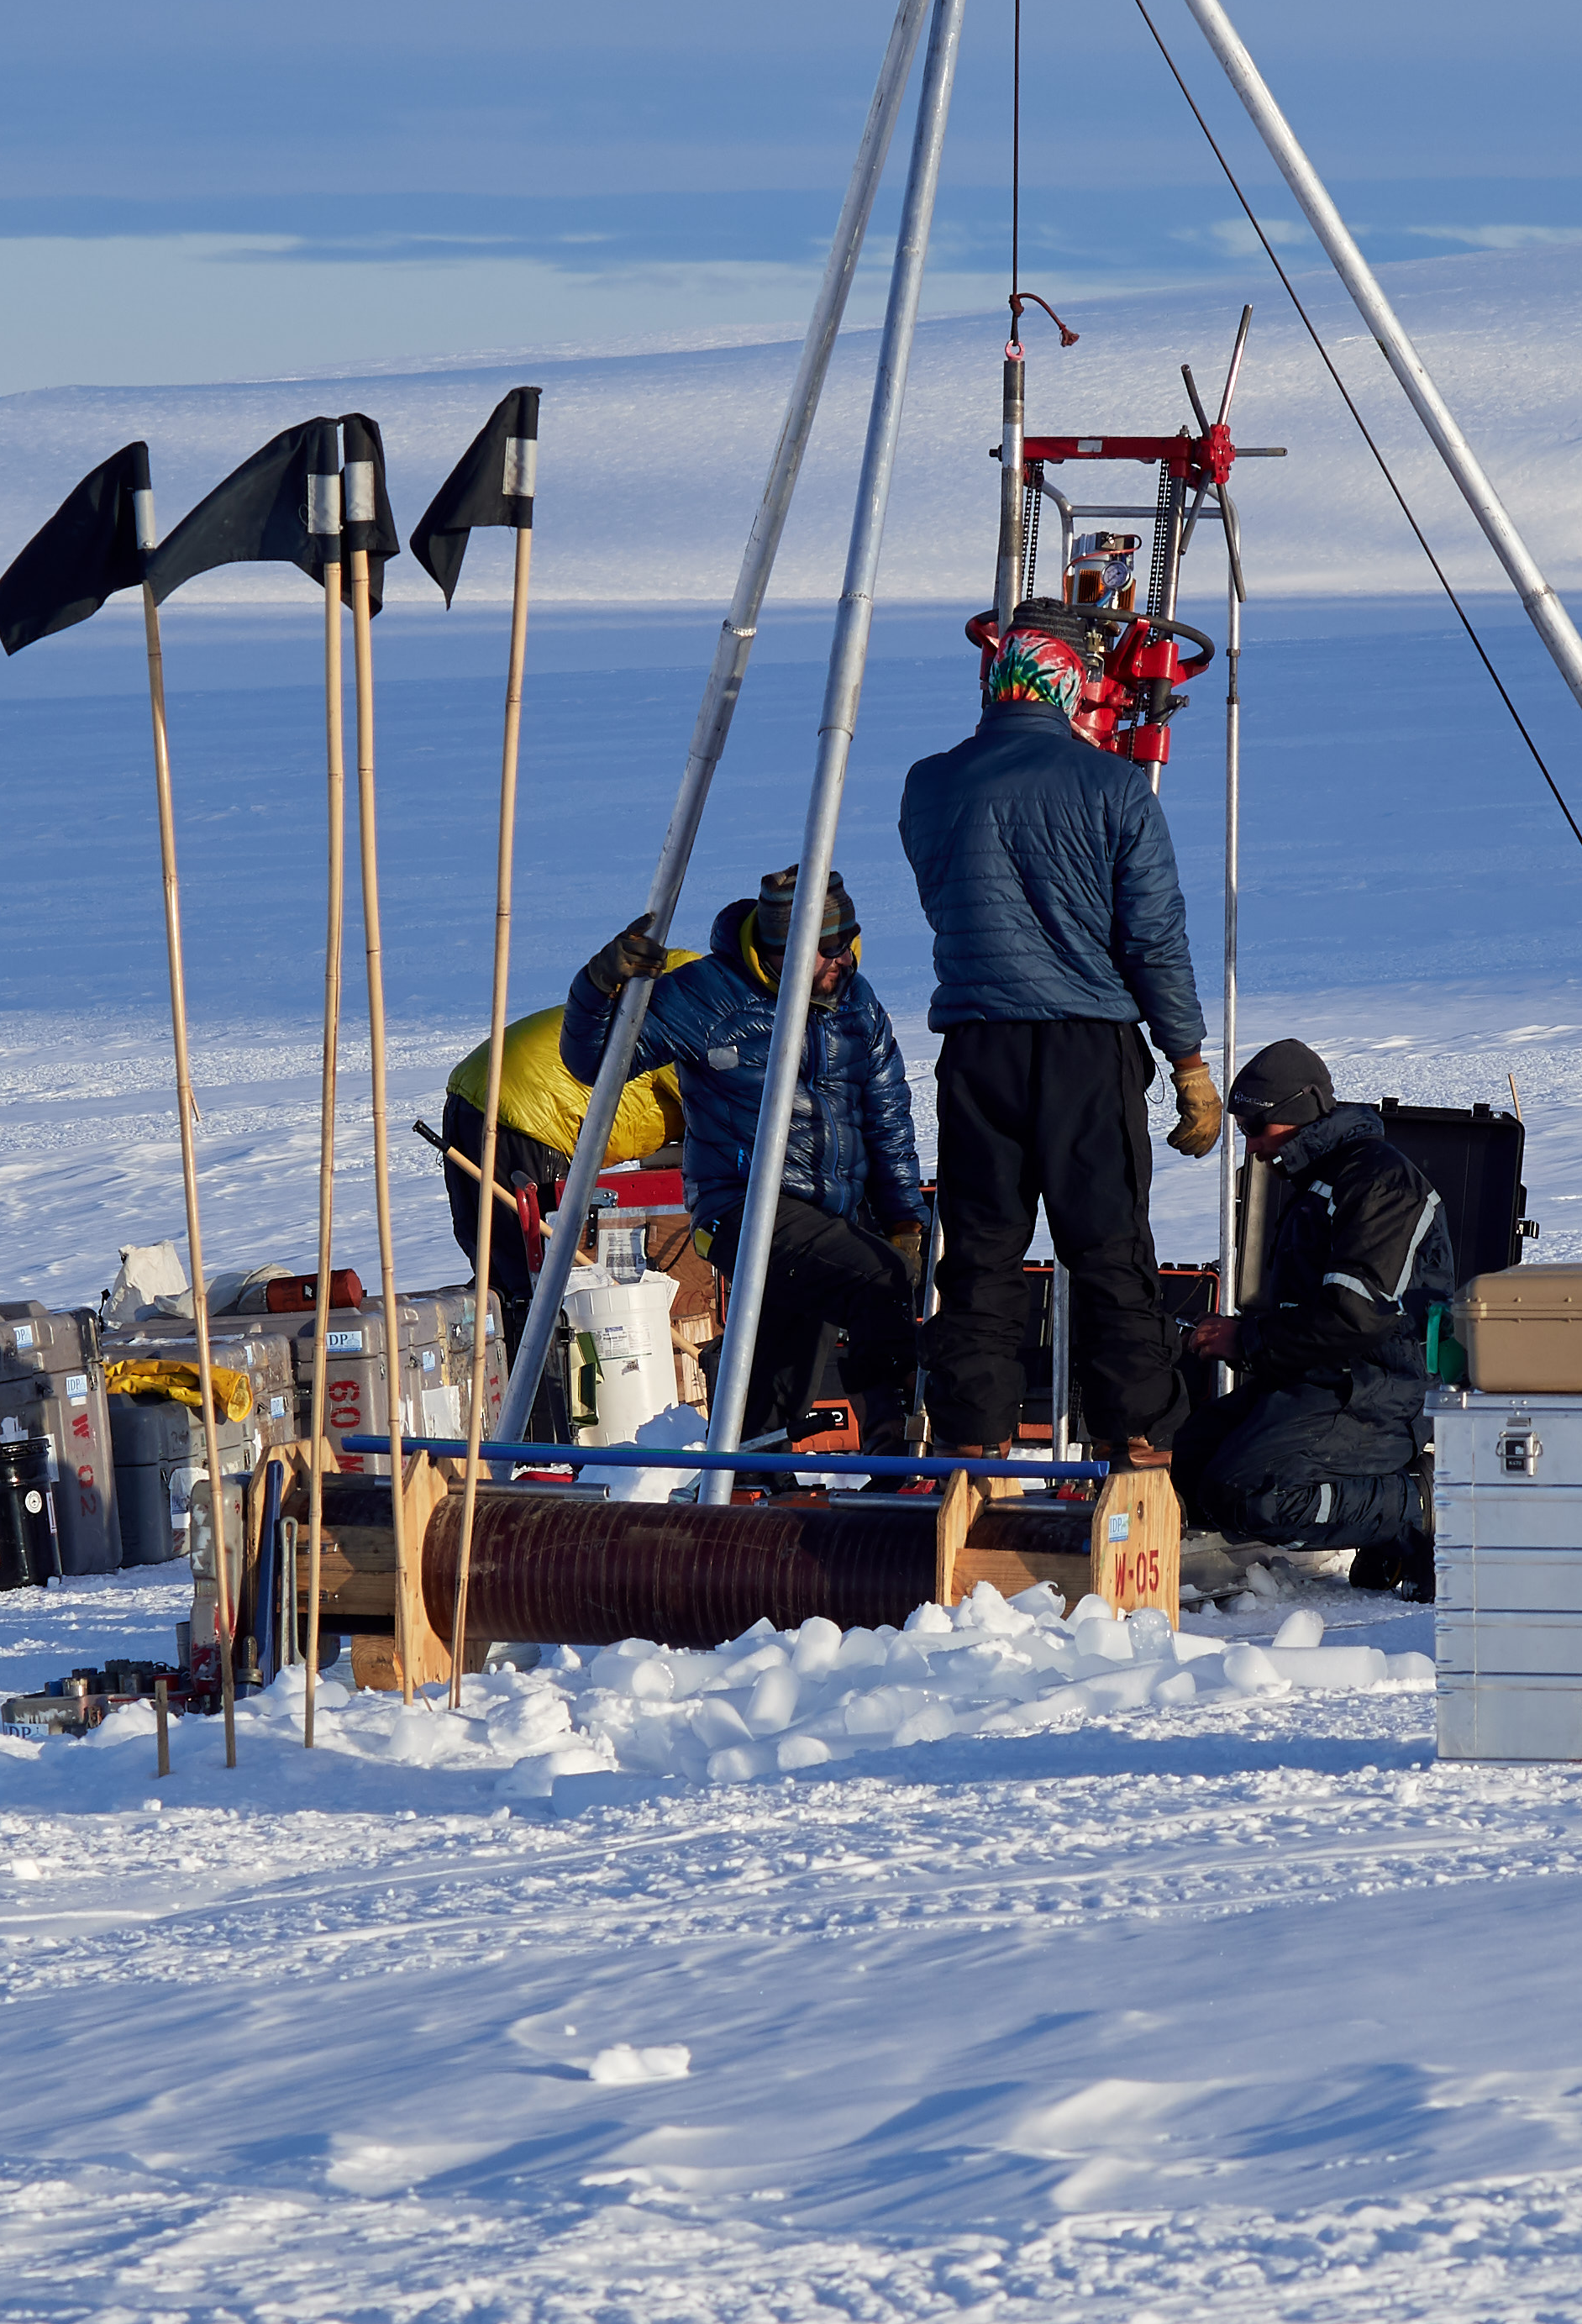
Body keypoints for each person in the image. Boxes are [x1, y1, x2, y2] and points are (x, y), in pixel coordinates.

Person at [896, 616, 1222, 1464]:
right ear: (1070, 691)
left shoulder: (929, 787)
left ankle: (972, 1449)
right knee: (1109, 1249)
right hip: (1086, 1047)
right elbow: (1154, 938)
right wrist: (1188, 1060)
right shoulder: (1114, 789)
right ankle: (1138, 1441)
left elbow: (947, 902)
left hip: (976, 1047)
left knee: (981, 1254)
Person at [557, 867, 929, 1448]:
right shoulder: (706, 996)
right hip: (744, 1204)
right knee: (876, 1281)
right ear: (779, 950)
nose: (842, 962)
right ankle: (894, 1449)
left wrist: (904, 1217)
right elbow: (595, 1063)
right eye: (824, 951)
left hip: (831, 1209)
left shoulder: (857, 1003)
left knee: (784, 1367)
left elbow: (886, 1115)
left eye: (847, 945)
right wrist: (596, 987)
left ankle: (752, 1476)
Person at [1180, 1038, 1453, 1596]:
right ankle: (1375, 1518)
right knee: (1195, 1460)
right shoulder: (1321, 1181)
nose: (1253, 1148)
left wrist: (1249, 1339)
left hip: (1376, 1390)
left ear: (1297, 1113)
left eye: (1257, 1129)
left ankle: (1415, 1506)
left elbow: (1357, 1316)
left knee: (1249, 1490)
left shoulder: (1377, 1181)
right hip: (1318, 1379)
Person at [438, 962, 694, 1401]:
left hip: (473, 1096)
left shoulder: (646, 1003)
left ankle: (504, 1403)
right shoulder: (693, 1021)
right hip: (531, 1115)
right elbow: (727, 1114)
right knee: (542, 1282)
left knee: (498, 1268)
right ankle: (547, 1410)